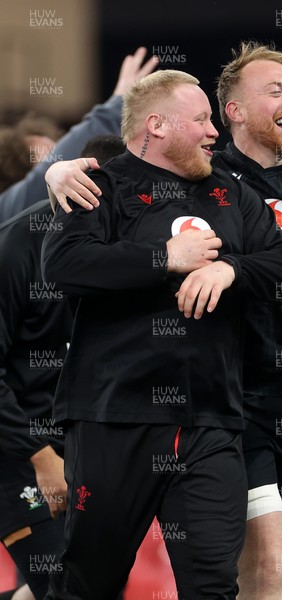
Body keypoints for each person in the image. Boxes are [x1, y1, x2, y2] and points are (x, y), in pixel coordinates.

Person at [43, 42, 282, 600]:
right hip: (162, 410)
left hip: (252, 410)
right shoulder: (151, 177)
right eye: (274, 89)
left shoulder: (279, 195)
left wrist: (231, 270)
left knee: (247, 580)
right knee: (105, 578)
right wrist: (58, 173)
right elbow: (73, 241)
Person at [0, 136, 126, 600]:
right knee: (60, 583)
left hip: (89, 447)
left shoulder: (131, 246)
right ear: (95, 182)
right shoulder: (15, 248)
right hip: (20, 456)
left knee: (81, 587)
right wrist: (41, 457)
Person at [0, 46, 158, 224]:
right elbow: (41, 179)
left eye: (57, 147)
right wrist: (118, 104)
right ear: (15, 175)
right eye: (50, 157)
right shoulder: (7, 209)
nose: (65, 163)